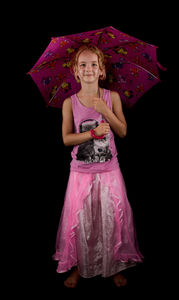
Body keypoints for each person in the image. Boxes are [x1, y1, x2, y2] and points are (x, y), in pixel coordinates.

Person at [53, 44, 143, 288]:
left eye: (94, 64)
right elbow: (66, 139)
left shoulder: (110, 97)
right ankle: (79, 267)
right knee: (81, 221)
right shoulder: (69, 103)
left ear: (102, 70)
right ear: (76, 72)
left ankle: (113, 266)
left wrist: (106, 111)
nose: (89, 68)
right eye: (83, 65)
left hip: (109, 171)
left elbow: (122, 131)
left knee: (111, 219)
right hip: (80, 173)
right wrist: (92, 133)